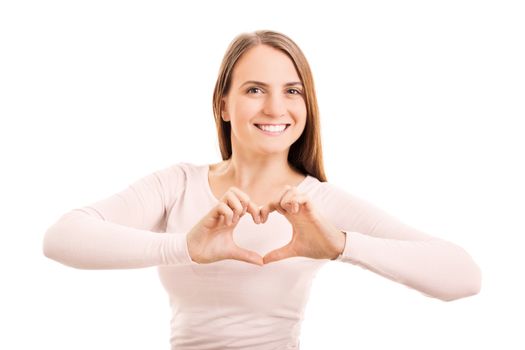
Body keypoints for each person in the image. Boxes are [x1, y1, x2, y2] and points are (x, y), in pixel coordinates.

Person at [43, 29, 482, 349]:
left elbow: (463, 276)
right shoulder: (177, 185)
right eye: (255, 89)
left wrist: (340, 245)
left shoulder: (319, 204)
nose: (276, 107)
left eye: (292, 91)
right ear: (223, 104)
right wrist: (187, 247)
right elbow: (62, 238)